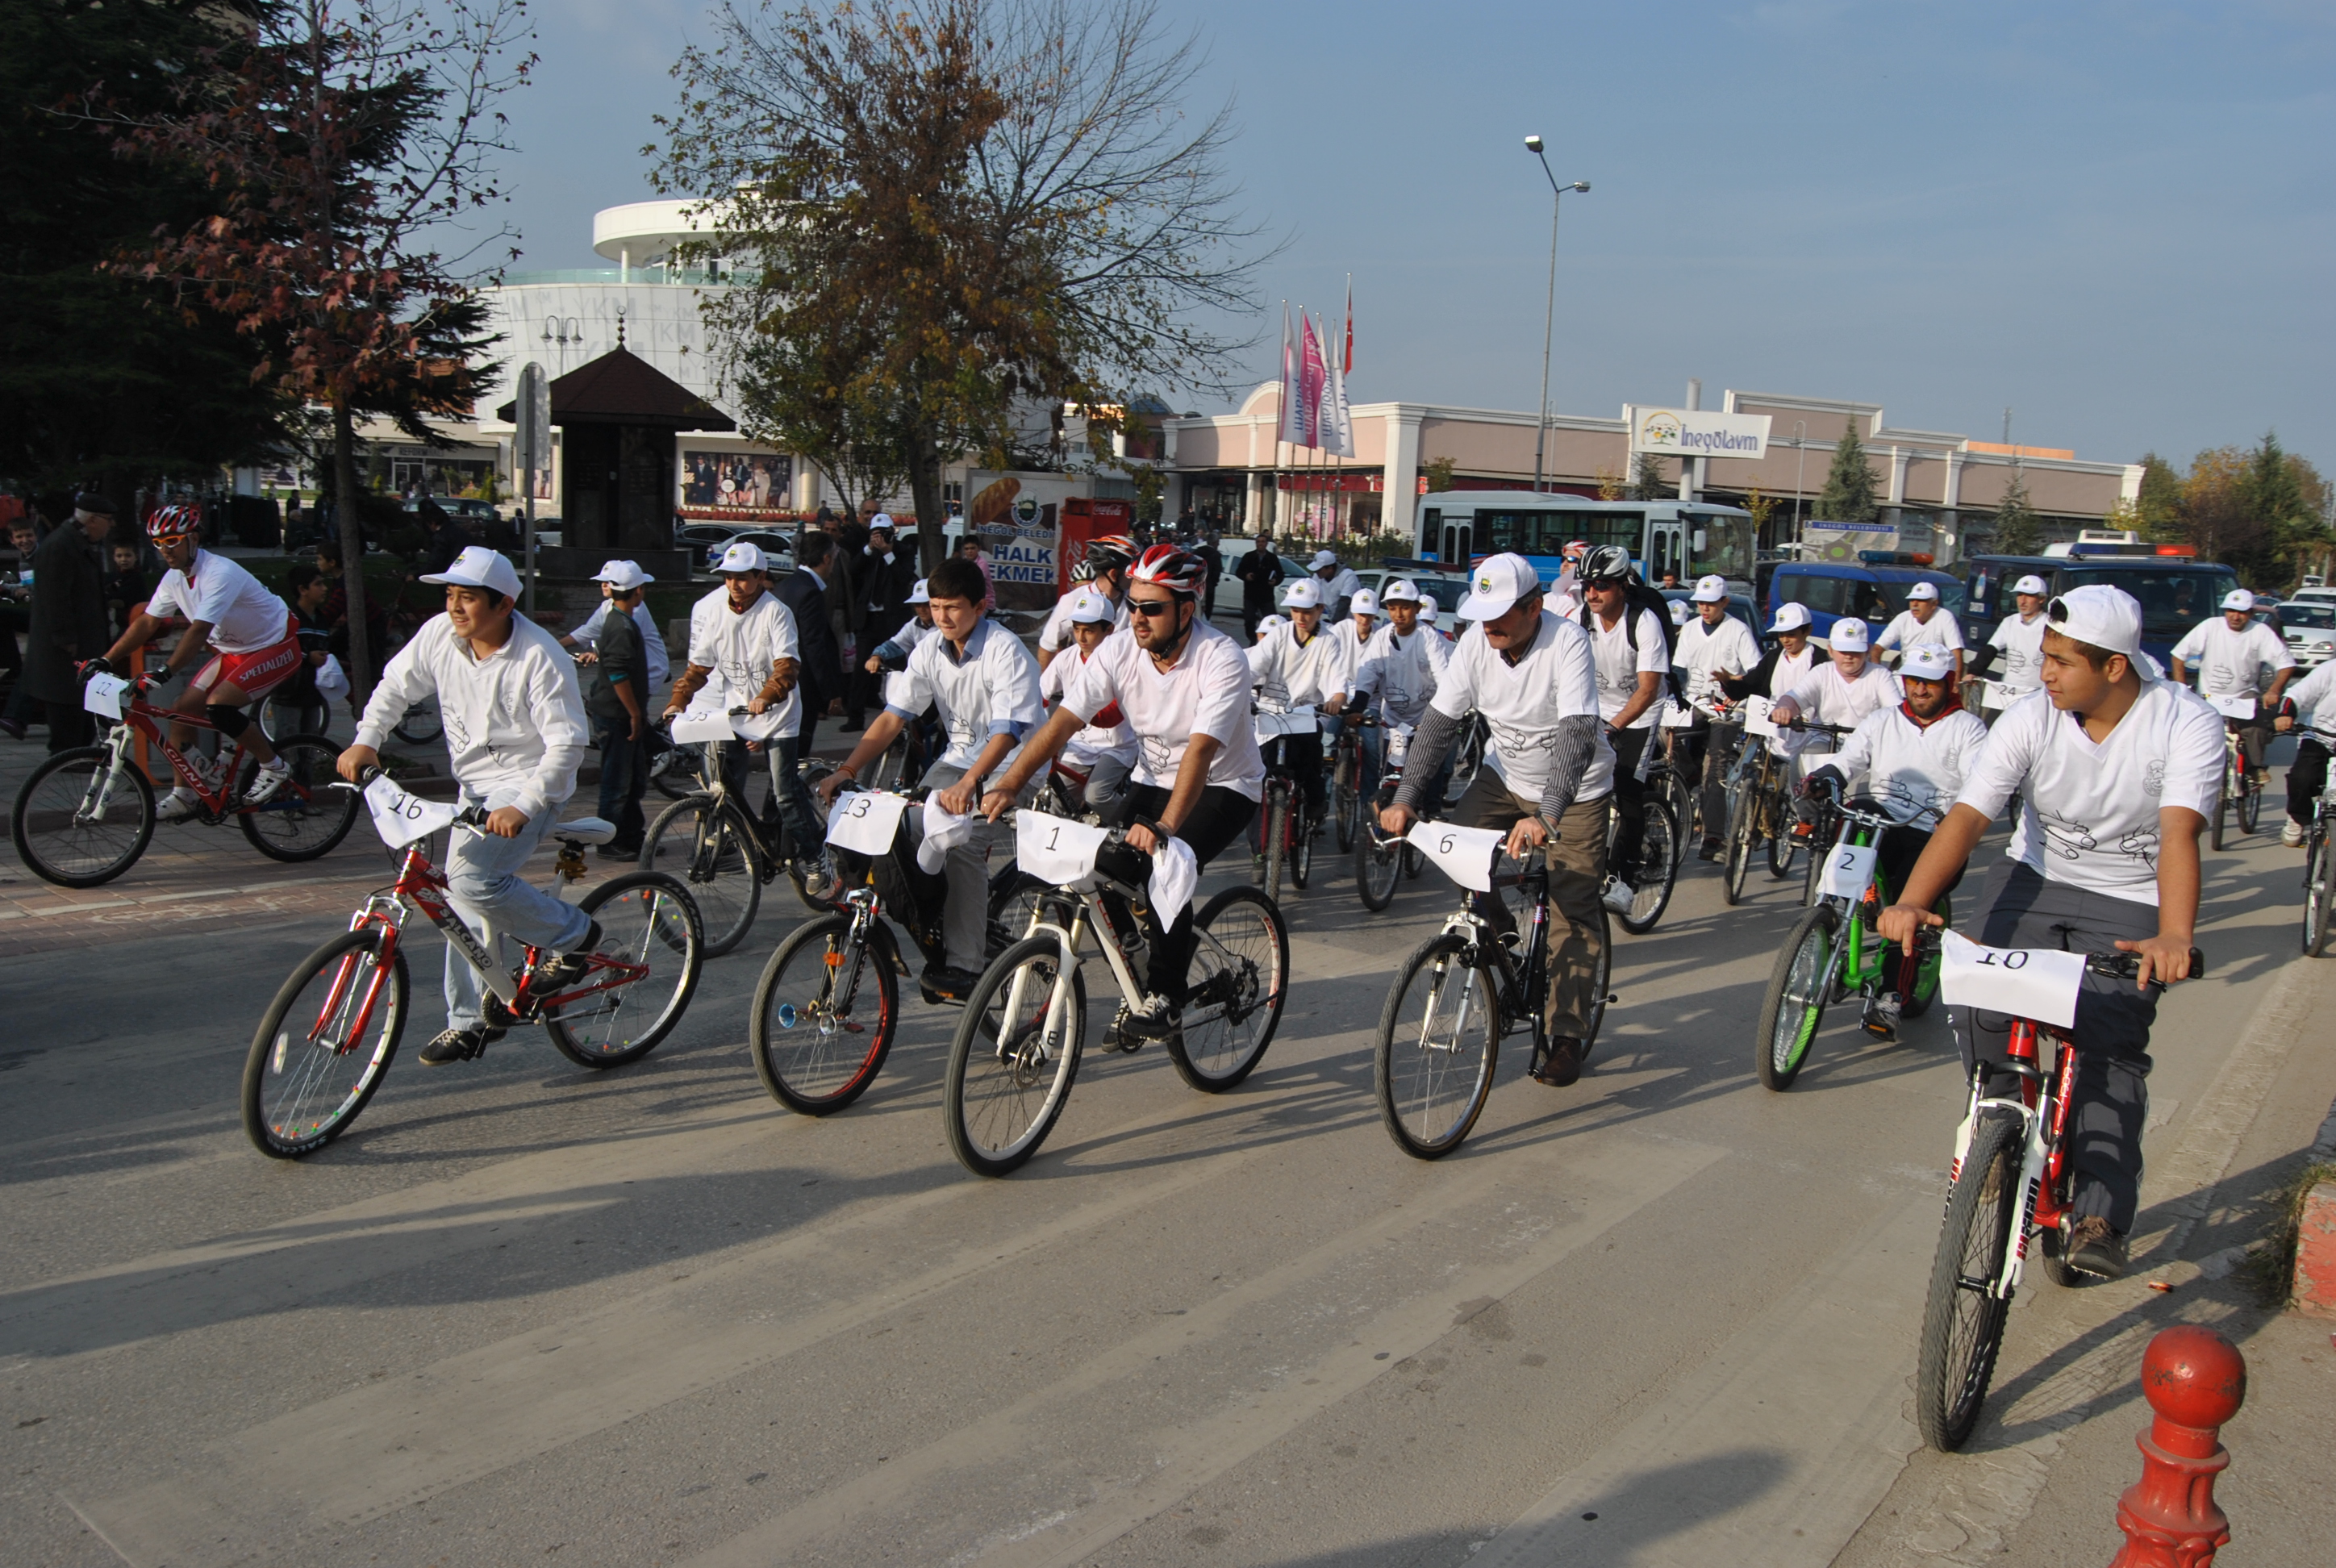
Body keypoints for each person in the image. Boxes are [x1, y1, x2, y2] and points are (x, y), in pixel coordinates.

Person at [1879, 586, 2217, 1279]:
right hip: (2032, 879)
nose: (2046, 674)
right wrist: (1912, 900)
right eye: (2044, 658)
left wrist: (2174, 934)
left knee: (2109, 1043)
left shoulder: (2185, 722)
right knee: (1973, 988)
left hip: (2128, 898)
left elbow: (2181, 831)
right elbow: (1971, 815)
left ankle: (2098, 1211)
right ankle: (2001, 1132)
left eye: (2062, 661)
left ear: (2115, 667)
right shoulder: (2033, 717)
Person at [980, 543, 1265, 1034]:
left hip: (1224, 784)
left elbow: (1199, 751)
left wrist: (1165, 827)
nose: (1137, 618)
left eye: (1152, 608)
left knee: (1166, 866)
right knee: (1096, 867)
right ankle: (1134, 963)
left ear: (1186, 610)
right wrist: (1009, 783)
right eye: (1132, 605)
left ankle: (1167, 995)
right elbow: (1063, 721)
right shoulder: (1119, 649)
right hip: (1153, 777)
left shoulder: (1221, 658)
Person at [340, 546, 602, 1066]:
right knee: (455, 898)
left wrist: (525, 804)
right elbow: (396, 686)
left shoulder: (539, 655)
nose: (455, 608)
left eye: (469, 598)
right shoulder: (441, 635)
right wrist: (366, 740)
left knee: (473, 883)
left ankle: (575, 936)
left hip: (529, 786)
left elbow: (567, 744)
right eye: (450, 596)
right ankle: (471, 1022)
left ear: (504, 605)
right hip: (474, 787)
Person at [1378, 553, 1615, 1087]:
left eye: (1502, 613)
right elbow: (1439, 724)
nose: (1489, 625)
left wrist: (1549, 814)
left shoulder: (1567, 642)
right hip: (1504, 778)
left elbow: (1578, 733)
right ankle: (1500, 926)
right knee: (1455, 851)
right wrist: (1407, 797)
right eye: (1482, 613)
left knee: (1571, 909)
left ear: (1534, 607)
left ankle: (1568, 1035)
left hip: (1574, 792)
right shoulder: (1474, 644)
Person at [819, 556, 1041, 1000]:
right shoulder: (929, 649)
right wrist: (847, 769)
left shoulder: (1005, 651)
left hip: (1011, 766)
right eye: (936, 606)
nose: (942, 616)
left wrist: (969, 785)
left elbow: (1007, 733)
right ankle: (938, 913)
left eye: (953, 607)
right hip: (958, 761)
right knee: (893, 826)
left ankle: (966, 965)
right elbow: (892, 719)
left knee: (963, 843)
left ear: (979, 607)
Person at [1799, 644, 1989, 1035]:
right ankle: (1848, 901)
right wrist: (1826, 777)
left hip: (1932, 832)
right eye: (1914, 681)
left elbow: (1979, 785)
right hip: (1883, 820)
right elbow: (1851, 759)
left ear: (1948, 684)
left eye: (1931, 683)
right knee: (1853, 812)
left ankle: (1891, 995)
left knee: (1908, 907)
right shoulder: (1883, 720)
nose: (1920, 690)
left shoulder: (1968, 729)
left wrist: (1955, 816)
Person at [101, 503, 302, 815]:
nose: (165, 550)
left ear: (193, 538)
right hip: (236, 652)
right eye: (158, 543)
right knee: (179, 712)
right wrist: (106, 659)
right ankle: (185, 795)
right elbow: (147, 622)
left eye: (172, 541)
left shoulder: (220, 573)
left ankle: (273, 766)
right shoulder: (174, 578)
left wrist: (166, 672)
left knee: (219, 705)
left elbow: (198, 632)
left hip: (276, 645)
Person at [665, 542, 825, 890]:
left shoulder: (776, 612)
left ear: (760, 577)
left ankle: (816, 856)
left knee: (784, 792)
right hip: (735, 711)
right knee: (723, 785)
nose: (734, 585)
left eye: (742, 578)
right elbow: (699, 666)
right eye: (728, 577)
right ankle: (740, 843)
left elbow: (787, 667)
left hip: (778, 713)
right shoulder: (716, 612)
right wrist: (679, 699)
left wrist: (767, 696)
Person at [1575, 545, 1669, 914]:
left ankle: (1625, 881)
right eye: (1587, 586)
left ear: (1622, 586)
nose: (1592, 594)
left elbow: (1647, 689)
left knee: (1629, 792)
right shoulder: (1583, 617)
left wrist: (1615, 725)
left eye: (1601, 585)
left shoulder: (1644, 622)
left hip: (1640, 713)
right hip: (1598, 708)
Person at [1245, 576, 1349, 835]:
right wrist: (1238, 692)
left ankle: (1315, 803)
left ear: (1320, 610)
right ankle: (1259, 851)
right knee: (1259, 776)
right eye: (1296, 610)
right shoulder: (1279, 634)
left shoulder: (1328, 640)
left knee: (1310, 760)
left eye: (1308, 611)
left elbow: (1336, 677)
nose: (1301, 617)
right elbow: (1253, 667)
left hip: (1306, 713)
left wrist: (1337, 698)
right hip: (1270, 712)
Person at [1767, 615, 1902, 810]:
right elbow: (1795, 696)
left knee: (1858, 795)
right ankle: (1807, 819)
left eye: (1855, 651)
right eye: (1843, 650)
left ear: (1868, 650)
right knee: (1801, 764)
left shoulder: (1880, 675)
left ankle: (1846, 830)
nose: (1849, 656)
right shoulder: (1822, 672)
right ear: (1830, 650)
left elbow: (1895, 712)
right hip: (1824, 738)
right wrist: (1784, 708)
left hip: (1864, 748)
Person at [1671, 575, 1761, 859]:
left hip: (1726, 706)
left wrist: (1734, 683)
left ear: (1724, 602)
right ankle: (1690, 773)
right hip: (1695, 701)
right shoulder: (1688, 629)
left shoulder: (1738, 630)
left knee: (1716, 768)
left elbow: (1754, 671)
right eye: (1700, 603)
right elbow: (1679, 670)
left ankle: (1713, 836)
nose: (1705, 608)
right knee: (1664, 733)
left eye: (1711, 603)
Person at [2169, 588, 2292, 786]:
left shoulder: (2260, 632)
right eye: (2231, 611)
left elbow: (2286, 664)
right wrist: (2181, 688)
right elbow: (2178, 656)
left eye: (2242, 612)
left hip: (2245, 696)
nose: (2235, 616)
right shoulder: (2210, 626)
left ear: (2251, 613)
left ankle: (2254, 768)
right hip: (2210, 696)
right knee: (2192, 732)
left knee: (2257, 727)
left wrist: (2274, 690)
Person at [21, 493, 114, 752]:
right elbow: (54, 598)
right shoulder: (60, 545)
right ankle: (67, 756)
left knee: (81, 700)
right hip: (65, 648)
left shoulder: (78, 543)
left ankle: (81, 752)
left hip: (84, 641)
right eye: (107, 520)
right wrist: (65, 637)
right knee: (66, 702)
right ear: (92, 520)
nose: (111, 525)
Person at [1037, 587, 1139, 824]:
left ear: (1110, 630)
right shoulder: (1066, 658)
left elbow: (1114, 714)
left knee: (1096, 796)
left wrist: (1073, 717)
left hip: (1116, 746)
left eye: (1090, 630)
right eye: (1076, 629)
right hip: (1080, 746)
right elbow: (1039, 694)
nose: (1081, 637)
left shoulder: (1120, 660)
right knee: (1055, 804)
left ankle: (1132, 831)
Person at [1348, 578, 1452, 804]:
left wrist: (1439, 717)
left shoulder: (1428, 637)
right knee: (1389, 775)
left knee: (1428, 767)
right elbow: (1369, 673)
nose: (1399, 614)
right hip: (1393, 720)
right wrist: (1357, 707)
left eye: (1405, 607)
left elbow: (1443, 677)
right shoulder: (1382, 637)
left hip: (1426, 716)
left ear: (1417, 608)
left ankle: (1432, 810)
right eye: (1393, 608)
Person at [585, 571, 652, 856]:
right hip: (616, 716)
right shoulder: (620, 626)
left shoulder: (621, 620)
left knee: (634, 778)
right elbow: (617, 674)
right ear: (638, 591)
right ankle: (608, 841)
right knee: (617, 782)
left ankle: (630, 834)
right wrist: (635, 713)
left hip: (621, 714)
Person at [772, 529, 848, 752]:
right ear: (826, 559)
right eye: (833, 558)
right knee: (798, 751)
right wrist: (830, 692)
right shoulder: (810, 593)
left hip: (780, 678)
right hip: (803, 685)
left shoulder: (785, 586)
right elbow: (813, 646)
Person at [562, 561, 670, 693]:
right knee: (596, 691)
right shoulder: (607, 606)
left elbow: (621, 643)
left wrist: (597, 654)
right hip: (629, 668)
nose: (604, 585)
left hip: (650, 670)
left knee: (611, 701)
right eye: (602, 581)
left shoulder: (634, 610)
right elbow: (586, 631)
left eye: (609, 582)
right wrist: (553, 645)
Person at [1037, 534, 1137, 669]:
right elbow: (1047, 646)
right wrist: (1042, 686)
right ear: (1114, 574)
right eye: (1130, 572)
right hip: (1082, 681)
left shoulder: (1135, 600)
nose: (1134, 576)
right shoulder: (1073, 600)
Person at [2276, 655, 2336, 846]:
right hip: (2321, 736)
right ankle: (2298, 818)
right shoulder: (2330, 669)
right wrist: (2286, 714)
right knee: (2302, 778)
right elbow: (2296, 695)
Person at [1971, 573, 2050, 711]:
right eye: (2020, 595)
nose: (2022, 601)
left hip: (2039, 694)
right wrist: (1974, 671)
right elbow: (1991, 649)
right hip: (2010, 692)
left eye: (2029, 595)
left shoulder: (2049, 624)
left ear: (2042, 599)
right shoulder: (2009, 622)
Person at [1717, 602, 1821, 705]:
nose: (1785, 640)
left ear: (1807, 631)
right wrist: (1728, 683)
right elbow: (1747, 688)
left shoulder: (1819, 660)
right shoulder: (1772, 658)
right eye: (1781, 634)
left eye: (1791, 634)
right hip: (1771, 719)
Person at [1875, 581, 1966, 679]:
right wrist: (1878, 677)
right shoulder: (1902, 619)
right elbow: (1877, 649)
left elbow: (1956, 652)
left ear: (1934, 604)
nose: (1914, 604)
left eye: (1921, 600)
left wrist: (1955, 684)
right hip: (1908, 676)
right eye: (1912, 599)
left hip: (1936, 678)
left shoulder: (1945, 617)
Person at [1235, 538, 1284, 641]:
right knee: (1249, 621)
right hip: (1251, 595)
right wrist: (1246, 576)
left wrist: (1275, 581)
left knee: (1272, 620)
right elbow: (1239, 571)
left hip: (1266, 595)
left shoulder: (1272, 558)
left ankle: (1270, 641)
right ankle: (1253, 640)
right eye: (1258, 542)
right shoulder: (1249, 556)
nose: (1260, 544)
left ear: (1266, 544)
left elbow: (1280, 574)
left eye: (1263, 542)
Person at [1309, 549, 1362, 620]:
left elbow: (1344, 603)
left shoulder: (1348, 576)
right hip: (1328, 618)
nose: (1316, 572)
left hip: (1348, 621)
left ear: (1330, 569)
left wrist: (1335, 625)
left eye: (1319, 570)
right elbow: (1311, 595)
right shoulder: (1318, 576)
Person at [1195, 532, 1224, 619]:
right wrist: (1213, 584)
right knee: (1207, 613)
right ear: (1214, 542)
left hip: (1194, 586)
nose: (1219, 544)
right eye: (1218, 542)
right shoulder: (1216, 555)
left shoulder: (1196, 552)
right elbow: (1217, 572)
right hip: (1209, 588)